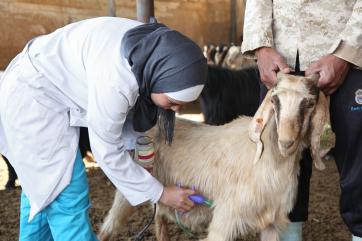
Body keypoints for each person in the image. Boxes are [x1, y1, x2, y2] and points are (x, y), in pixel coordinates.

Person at [0, 17, 207, 240]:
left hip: (43, 89)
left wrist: (142, 164)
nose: (175, 110)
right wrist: (161, 193)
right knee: (67, 192)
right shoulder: (117, 80)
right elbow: (106, 150)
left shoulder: (148, 52)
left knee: (41, 191)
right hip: (34, 102)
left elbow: (125, 124)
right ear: (159, 76)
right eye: (173, 101)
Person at [242, 1, 362, 241]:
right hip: (282, 59)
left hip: (347, 55)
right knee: (279, 166)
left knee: (360, 164)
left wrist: (348, 51)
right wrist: (261, 46)